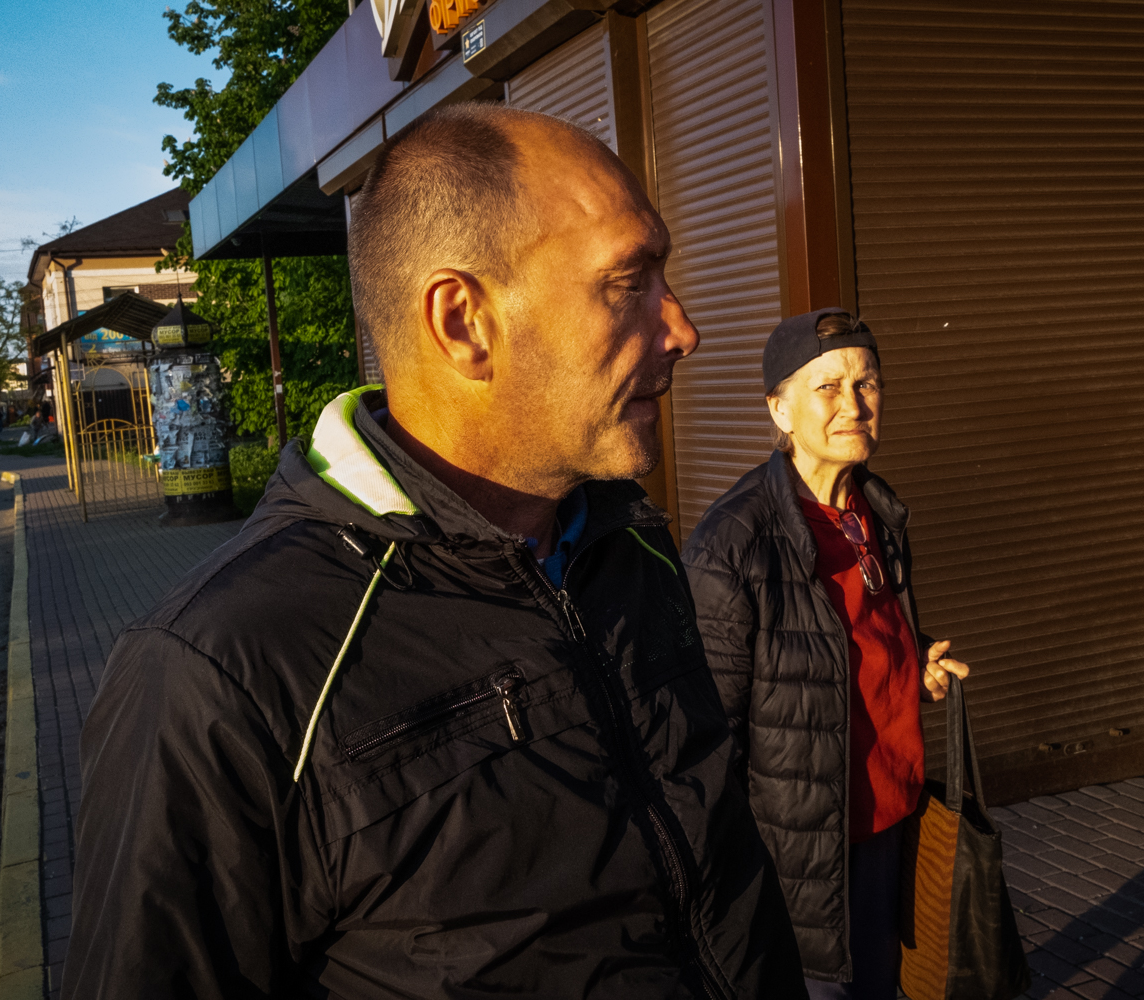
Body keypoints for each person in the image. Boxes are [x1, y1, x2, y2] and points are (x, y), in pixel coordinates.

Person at [66, 104, 806, 999]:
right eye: (628, 282)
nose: (683, 329)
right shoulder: (216, 674)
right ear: (462, 322)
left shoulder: (631, 543)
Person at [680, 309, 971, 998]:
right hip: (803, 853)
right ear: (779, 408)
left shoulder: (876, 513)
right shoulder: (733, 545)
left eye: (867, 383)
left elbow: (847, 638)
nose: (854, 404)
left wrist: (911, 658)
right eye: (829, 387)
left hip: (887, 815)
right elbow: (707, 733)